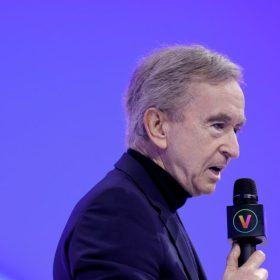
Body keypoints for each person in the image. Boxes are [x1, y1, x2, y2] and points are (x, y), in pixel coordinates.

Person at [53, 45, 268, 280]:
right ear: (158, 127)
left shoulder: (153, 207)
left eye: (236, 130)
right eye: (218, 125)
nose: (233, 149)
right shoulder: (117, 213)